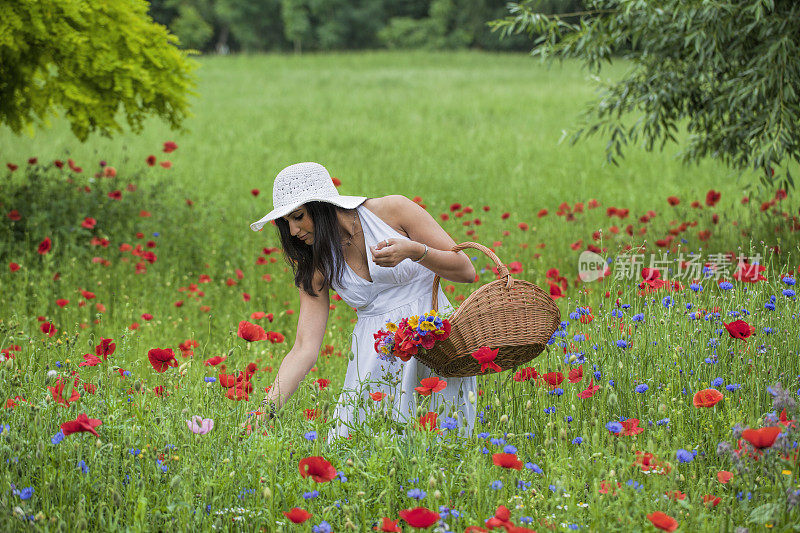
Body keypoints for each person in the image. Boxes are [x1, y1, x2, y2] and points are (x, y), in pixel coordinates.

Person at [246, 162, 478, 441]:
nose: (293, 231)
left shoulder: (393, 211)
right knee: (359, 450)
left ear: (321, 205)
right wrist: (266, 410)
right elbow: (304, 348)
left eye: (298, 217)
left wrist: (415, 252)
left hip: (435, 342)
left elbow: (466, 271)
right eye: (286, 223)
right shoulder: (316, 261)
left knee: (443, 445)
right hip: (376, 360)